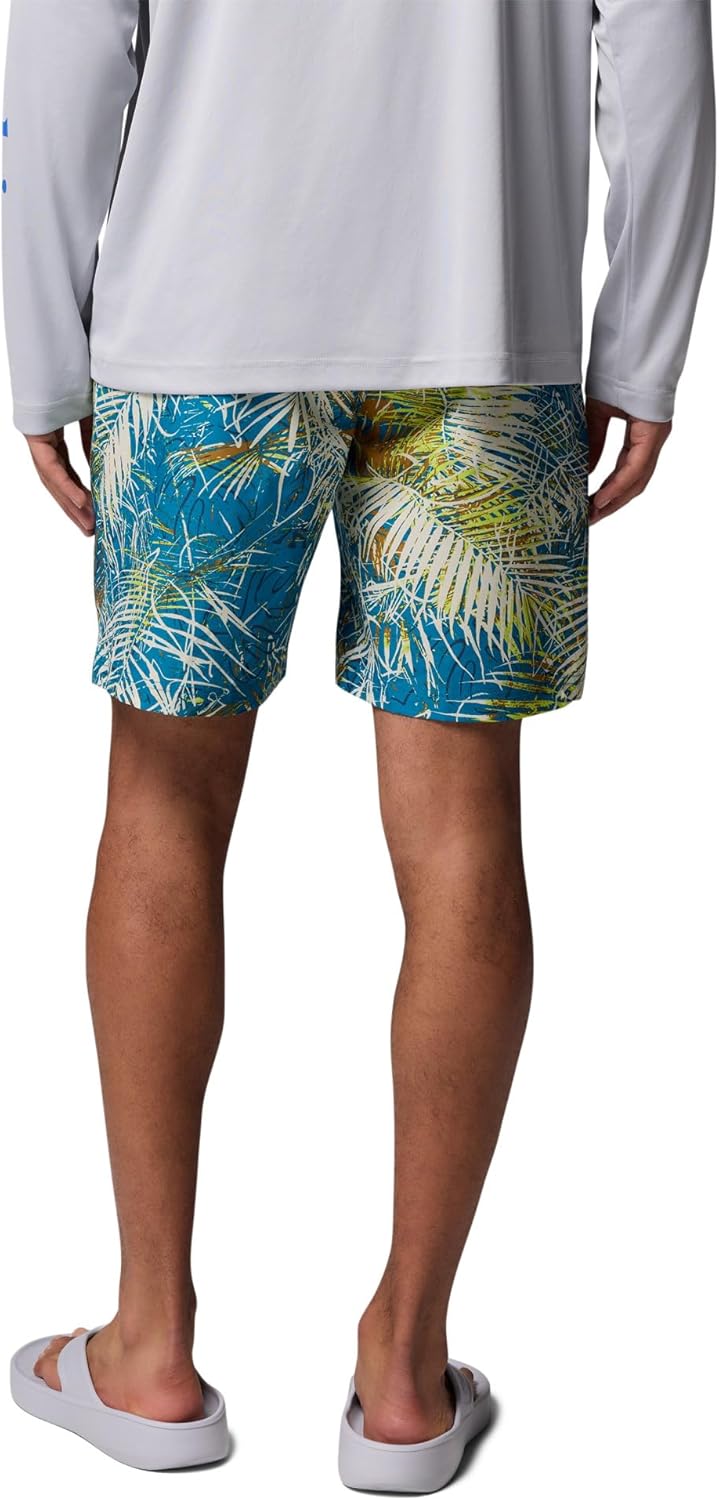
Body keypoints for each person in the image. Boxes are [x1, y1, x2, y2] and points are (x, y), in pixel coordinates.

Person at [2, 0, 715, 1486]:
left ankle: (148, 1350)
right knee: (463, 837)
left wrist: (40, 353)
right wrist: (640, 344)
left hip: (199, 324)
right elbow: (660, 41)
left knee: (163, 804)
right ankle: (403, 1378)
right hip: (486, 321)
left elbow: (65, 45)